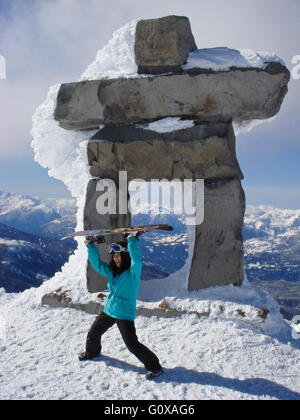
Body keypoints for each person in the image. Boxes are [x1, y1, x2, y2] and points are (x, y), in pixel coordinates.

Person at [79, 233, 163, 380]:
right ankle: (92, 352)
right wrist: (90, 246)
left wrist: (132, 240)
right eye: (114, 256)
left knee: (132, 345)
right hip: (109, 310)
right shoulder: (112, 272)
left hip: (124, 313)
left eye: (119, 256)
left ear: (125, 256)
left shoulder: (132, 274)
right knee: (94, 333)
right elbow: (97, 264)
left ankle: (155, 367)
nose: (116, 259)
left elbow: (137, 261)